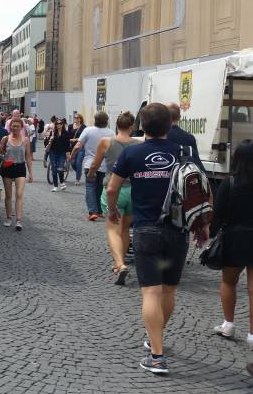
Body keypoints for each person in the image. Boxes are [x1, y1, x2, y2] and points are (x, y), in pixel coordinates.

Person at [108, 103, 209, 375]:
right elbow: (201, 186)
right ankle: (156, 338)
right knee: (169, 291)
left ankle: (156, 355)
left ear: (142, 125)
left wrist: (114, 210)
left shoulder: (132, 153)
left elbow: (111, 188)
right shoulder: (183, 152)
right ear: (170, 125)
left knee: (150, 292)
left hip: (146, 231)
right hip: (177, 231)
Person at [210, 140, 253, 347]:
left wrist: (211, 233)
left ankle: (228, 323)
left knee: (229, 281)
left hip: (234, 237)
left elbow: (217, 215)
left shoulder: (229, 183)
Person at [88, 111, 139, 284]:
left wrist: (92, 174)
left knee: (113, 230)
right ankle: (120, 263)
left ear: (117, 125)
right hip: (133, 190)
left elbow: (95, 163)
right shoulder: (138, 144)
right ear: (132, 126)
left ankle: (119, 264)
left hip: (113, 188)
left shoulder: (106, 142)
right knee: (125, 229)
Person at [72, 112, 113, 221]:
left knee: (90, 187)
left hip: (89, 164)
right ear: (107, 121)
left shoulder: (88, 130)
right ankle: (99, 211)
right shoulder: (112, 133)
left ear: (95, 120)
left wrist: (71, 157)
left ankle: (92, 212)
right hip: (104, 165)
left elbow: (77, 146)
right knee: (99, 187)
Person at [0, 117, 34, 230]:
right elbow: (0, 153)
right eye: (13, 126)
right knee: (8, 195)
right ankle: (8, 218)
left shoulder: (26, 140)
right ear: (10, 127)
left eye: (17, 126)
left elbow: (28, 157)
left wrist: (31, 173)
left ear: (22, 127)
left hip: (20, 167)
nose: (15, 128)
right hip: (7, 166)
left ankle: (19, 220)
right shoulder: (5, 138)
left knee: (19, 195)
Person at [166, 102, 207, 173]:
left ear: (163, 117)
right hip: (182, 177)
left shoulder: (161, 136)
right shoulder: (190, 138)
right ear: (179, 117)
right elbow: (195, 161)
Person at [46, 120, 72, 192]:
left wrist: (68, 154)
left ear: (62, 125)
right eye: (57, 124)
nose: (59, 125)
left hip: (62, 153)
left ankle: (62, 182)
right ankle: (55, 185)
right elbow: (47, 143)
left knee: (60, 168)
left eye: (60, 124)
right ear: (56, 125)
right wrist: (50, 139)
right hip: (53, 152)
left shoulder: (66, 133)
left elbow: (67, 145)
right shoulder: (53, 132)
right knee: (54, 169)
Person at [68, 114, 87, 184]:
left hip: (81, 147)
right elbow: (67, 134)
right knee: (73, 163)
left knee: (78, 162)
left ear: (80, 119)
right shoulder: (70, 126)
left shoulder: (84, 127)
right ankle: (79, 172)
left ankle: (77, 179)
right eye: (74, 117)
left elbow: (85, 137)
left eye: (77, 117)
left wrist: (75, 139)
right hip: (71, 147)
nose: (75, 118)